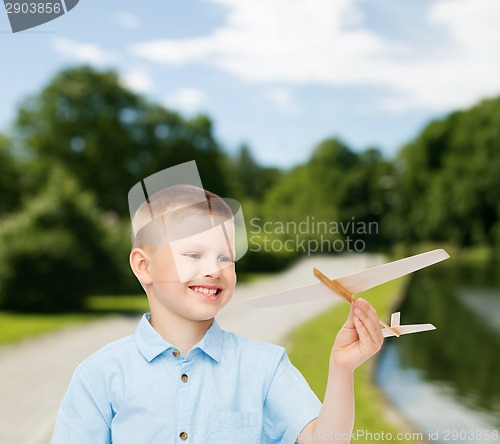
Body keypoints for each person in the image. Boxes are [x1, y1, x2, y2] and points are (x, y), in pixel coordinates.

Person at [52, 170, 384, 444]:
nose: (214, 268)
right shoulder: (99, 376)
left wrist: (342, 369)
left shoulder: (265, 367)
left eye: (225, 256)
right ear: (144, 266)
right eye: (194, 254)